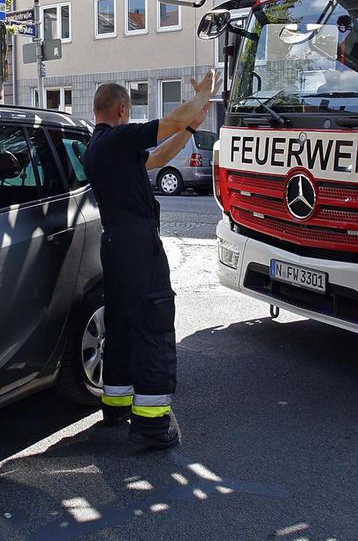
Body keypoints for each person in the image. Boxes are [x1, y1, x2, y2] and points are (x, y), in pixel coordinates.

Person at [82, 71, 218, 449]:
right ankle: (153, 425)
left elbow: (158, 156)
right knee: (153, 322)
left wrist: (191, 129)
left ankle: (116, 405)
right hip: (137, 245)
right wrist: (202, 98)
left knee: (123, 323)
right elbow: (169, 122)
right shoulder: (118, 138)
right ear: (123, 109)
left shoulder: (102, 147)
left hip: (116, 244)